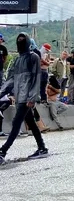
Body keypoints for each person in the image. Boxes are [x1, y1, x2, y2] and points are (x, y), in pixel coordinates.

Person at [0, 33, 48, 164]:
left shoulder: (34, 57)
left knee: (16, 124)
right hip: (19, 97)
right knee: (31, 123)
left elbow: (36, 78)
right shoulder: (17, 60)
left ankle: (2, 151)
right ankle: (42, 148)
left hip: (27, 98)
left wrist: (32, 98)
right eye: (18, 40)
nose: (20, 42)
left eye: (22, 40)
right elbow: (10, 80)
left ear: (27, 42)